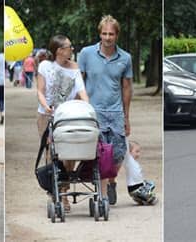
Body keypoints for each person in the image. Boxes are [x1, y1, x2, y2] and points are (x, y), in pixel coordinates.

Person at [78, 15, 134, 205]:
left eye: (111, 34)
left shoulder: (125, 58)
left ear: (117, 35)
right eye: (104, 33)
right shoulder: (86, 54)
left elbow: (126, 87)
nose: (107, 37)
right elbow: (79, 83)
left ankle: (111, 180)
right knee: (99, 152)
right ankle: (101, 189)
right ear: (99, 34)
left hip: (116, 112)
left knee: (118, 154)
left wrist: (126, 116)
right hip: (94, 111)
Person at [36, 34, 89, 212]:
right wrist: (46, 106)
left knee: (70, 153)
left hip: (68, 115)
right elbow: (40, 90)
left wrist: (88, 108)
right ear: (59, 50)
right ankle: (55, 193)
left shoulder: (74, 68)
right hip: (47, 116)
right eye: (69, 47)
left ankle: (64, 191)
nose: (72, 49)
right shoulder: (45, 66)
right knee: (52, 154)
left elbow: (81, 90)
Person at [124, 140, 158, 205]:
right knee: (150, 187)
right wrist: (125, 133)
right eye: (136, 151)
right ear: (129, 152)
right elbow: (125, 147)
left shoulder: (134, 162)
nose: (138, 154)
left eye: (139, 152)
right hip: (135, 187)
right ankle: (145, 196)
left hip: (137, 186)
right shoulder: (128, 160)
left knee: (149, 183)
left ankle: (139, 197)